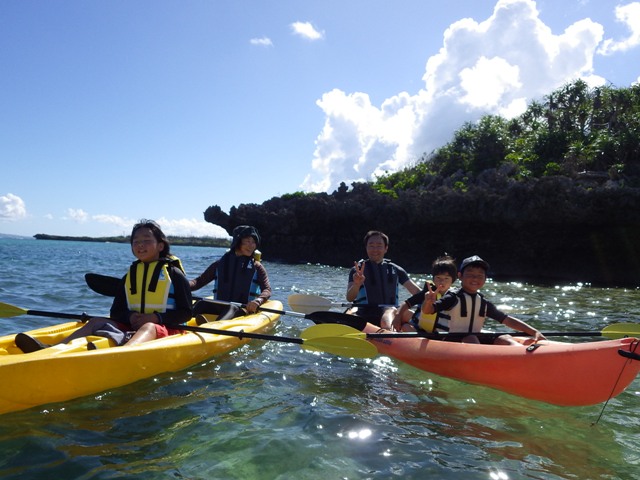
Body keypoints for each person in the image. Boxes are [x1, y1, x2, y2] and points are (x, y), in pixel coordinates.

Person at [15, 219, 193, 353]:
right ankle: (51, 349)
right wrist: (130, 316)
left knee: (149, 327)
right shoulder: (129, 276)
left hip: (168, 329)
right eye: (135, 241)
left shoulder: (174, 275)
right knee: (96, 321)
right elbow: (116, 312)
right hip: (134, 326)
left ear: (160, 246)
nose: (140, 244)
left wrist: (156, 318)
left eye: (146, 240)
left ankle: (122, 355)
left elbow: (186, 312)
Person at [420, 255, 546, 345]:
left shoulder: (483, 302)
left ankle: (520, 354)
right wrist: (428, 302)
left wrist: (534, 332)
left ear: (485, 279)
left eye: (480, 275)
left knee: (504, 337)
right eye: (470, 275)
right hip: (448, 340)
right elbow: (428, 310)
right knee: (470, 338)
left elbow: (506, 319)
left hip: (472, 339)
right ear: (460, 276)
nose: (475, 278)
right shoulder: (452, 297)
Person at [189, 225, 271, 320]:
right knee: (201, 304)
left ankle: (214, 327)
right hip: (221, 305)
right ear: (237, 242)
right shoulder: (220, 264)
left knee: (232, 308)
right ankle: (182, 323)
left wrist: (258, 301)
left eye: (254, 242)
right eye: (248, 241)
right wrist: (183, 285)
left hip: (243, 309)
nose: (251, 246)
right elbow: (199, 281)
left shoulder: (257, 267)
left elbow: (267, 289)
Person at [346, 230, 420, 329]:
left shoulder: (396, 270)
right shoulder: (356, 270)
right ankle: (389, 333)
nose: (375, 249)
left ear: (386, 248)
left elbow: (417, 292)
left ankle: (422, 331)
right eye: (371, 246)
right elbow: (350, 298)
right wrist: (357, 284)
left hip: (390, 311)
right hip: (365, 313)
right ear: (366, 248)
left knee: (406, 315)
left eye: (379, 246)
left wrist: (431, 297)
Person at [393, 255, 457, 332]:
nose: (442, 282)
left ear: (453, 280)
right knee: (405, 327)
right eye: (438, 278)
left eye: (446, 278)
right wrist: (397, 316)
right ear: (433, 279)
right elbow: (407, 303)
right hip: (418, 329)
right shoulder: (426, 293)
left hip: (439, 335)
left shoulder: (454, 296)